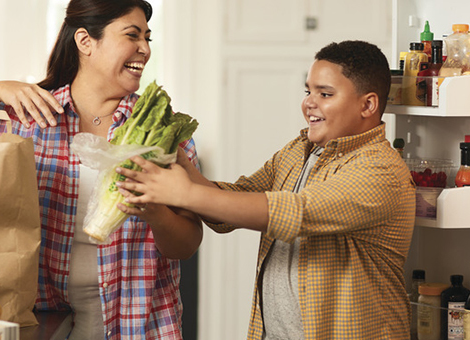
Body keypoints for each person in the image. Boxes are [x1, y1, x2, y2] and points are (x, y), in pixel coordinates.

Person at [0, 1, 202, 339]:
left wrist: (155, 213)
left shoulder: (161, 134)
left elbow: (186, 244)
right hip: (42, 322)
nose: (145, 49)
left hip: (139, 322)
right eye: (132, 35)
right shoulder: (28, 116)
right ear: (85, 41)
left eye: (148, 38)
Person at [116, 40, 415, 339]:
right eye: (308, 91)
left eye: (325, 94)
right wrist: (182, 166)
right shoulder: (300, 151)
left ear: (368, 105)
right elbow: (234, 203)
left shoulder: (382, 171)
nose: (309, 102)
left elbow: (295, 212)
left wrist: (185, 193)